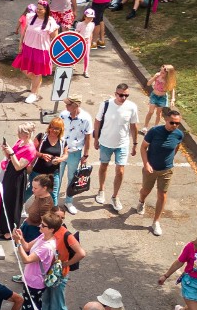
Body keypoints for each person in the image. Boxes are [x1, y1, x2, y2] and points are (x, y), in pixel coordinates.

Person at [93, 83, 140, 212]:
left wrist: (135, 143)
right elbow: (97, 122)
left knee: (120, 171)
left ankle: (115, 196)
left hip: (122, 144)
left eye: (126, 95)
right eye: (121, 95)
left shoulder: (132, 107)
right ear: (115, 94)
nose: (123, 98)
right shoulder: (106, 104)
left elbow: (133, 126)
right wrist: (96, 139)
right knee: (104, 166)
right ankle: (101, 190)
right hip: (105, 142)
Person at [136, 109, 183, 236]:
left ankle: (156, 221)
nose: (175, 126)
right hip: (151, 169)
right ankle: (141, 201)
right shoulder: (154, 132)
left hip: (166, 170)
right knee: (145, 190)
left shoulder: (179, 134)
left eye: (177, 123)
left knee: (162, 195)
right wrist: (146, 164)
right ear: (166, 120)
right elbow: (143, 147)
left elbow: (176, 147)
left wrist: (170, 160)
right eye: (172, 123)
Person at [13, 1, 58, 105]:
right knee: (24, 69)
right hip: (28, 47)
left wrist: (54, 53)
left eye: (41, 9)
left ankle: (33, 93)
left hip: (41, 50)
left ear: (46, 10)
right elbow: (24, 31)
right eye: (37, 8)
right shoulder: (30, 17)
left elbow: (55, 39)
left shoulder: (50, 22)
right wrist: (20, 44)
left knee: (37, 72)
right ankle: (36, 83)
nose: (38, 10)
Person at [60, 96, 94, 214]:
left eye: (68, 104)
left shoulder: (86, 118)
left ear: (75, 105)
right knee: (56, 178)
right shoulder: (63, 115)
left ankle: (68, 201)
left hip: (75, 153)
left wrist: (85, 155)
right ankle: (53, 203)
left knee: (72, 178)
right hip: (61, 151)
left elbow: (88, 137)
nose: (66, 106)